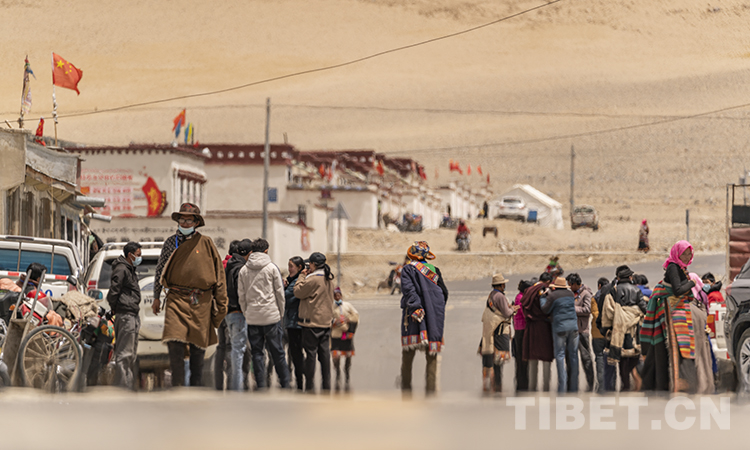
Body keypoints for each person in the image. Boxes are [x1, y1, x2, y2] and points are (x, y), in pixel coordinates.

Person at [152, 203, 228, 387]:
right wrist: (156, 297)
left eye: (189, 220)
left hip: (200, 301)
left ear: (196, 223)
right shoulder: (171, 243)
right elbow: (160, 270)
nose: (185, 223)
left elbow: (219, 274)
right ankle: (177, 385)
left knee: (197, 346)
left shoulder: (206, 243)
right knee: (174, 341)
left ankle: (196, 385)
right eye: (182, 220)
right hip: (176, 299)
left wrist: (221, 304)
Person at [641, 240, 713, 393]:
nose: (687, 257)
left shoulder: (681, 268)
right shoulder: (673, 267)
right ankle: (675, 381)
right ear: (677, 254)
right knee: (672, 346)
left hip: (676, 308)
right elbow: (678, 290)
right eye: (684, 254)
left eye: (689, 254)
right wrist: (692, 283)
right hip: (671, 311)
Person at [238, 238, 290, 390]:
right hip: (271, 316)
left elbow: (241, 295)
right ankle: (284, 382)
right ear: (266, 250)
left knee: (257, 353)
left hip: (253, 317)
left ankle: (260, 384)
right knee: (277, 352)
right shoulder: (272, 268)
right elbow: (280, 293)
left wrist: (246, 312)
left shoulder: (244, 270)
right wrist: (280, 313)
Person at [399, 241, 448, 396]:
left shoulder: (408, 269)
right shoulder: (435, 271)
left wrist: (416, 307)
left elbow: (408, 290)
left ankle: (406, 391)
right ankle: (430, 392)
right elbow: (444, 293)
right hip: (434, 316)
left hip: (414, 315)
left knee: (408, 355)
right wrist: (434, 308)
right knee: (431, 356)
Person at [294, 252, 336, 393]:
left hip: (311, 323)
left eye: (310, 264)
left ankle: (309, 385)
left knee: (311, 355)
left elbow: (298, 292)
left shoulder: (313, 279)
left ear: (313, 264)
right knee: (324, 355)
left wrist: (301, 276)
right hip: (325, 322)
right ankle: (326, 385)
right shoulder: (329, 278)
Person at [600, 266, 646, 391]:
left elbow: (608, 313)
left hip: (618, 329)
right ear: (630, 277)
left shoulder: (613, 291)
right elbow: (644, 308)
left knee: (622, 359)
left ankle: (625, 385)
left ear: (619, 278)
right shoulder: (636, 290)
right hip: (633, 330)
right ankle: (629, 383)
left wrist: (606, 330)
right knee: (634, 356)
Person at [107, 242, 142, 390]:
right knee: (124, 354)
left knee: (130, 354)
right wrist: (115, 307)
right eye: (138, 255)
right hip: (126, 315)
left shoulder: (129, 269)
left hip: (132, 314)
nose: (140, 258)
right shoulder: (122, 269)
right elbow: (114, 291)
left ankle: (127, 384)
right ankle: (123, 387)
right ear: (130, 255)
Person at [218, 238, 252, 391]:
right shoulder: (240, 268)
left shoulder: (227, 266)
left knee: (228, 348)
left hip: (226, 312)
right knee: (238, 351)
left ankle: (229, 384)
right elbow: (241, 292)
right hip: (237, 312)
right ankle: (237, 387)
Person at [478, 273, 518, 393]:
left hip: (491, 330)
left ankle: (488, 384)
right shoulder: (500, 296)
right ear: (501, 285)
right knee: (498, 361)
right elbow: (506, 313)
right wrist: (513, 309)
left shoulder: (492, 295)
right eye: (503, 284)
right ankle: (497, 385)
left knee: (490, 359)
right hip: (499, 331)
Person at [540, 277, 579, 393]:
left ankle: (562, 386)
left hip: (560, 328)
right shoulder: (570, 294)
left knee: (560, 355)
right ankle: (574, 386)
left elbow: (545, 309)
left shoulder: (553, 296)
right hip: (574, 327)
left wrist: (543, 297)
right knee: (573, 355)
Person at [522, 272, 554, 392]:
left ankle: (532, 387)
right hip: (543, 326)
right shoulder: (542, 290)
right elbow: (545, 308)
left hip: (530, 326)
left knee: (532, 358)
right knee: (546, 357)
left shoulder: (528, 290)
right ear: (548, 282)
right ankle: (546, 388)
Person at [567, 273, 594, 392]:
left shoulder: (586, 294)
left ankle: (591, 383)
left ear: (575, 284)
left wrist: (572, 308)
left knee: (586, 358)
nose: (569, 286)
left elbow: (587, 309)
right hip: (571, 330)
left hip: (582, 331)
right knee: (571, 359)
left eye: (570, 284)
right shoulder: (570, 294)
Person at [331, 287, 359, 393]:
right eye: (335, 295)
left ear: (341, 296)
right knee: (336, 356)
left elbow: (356, 316)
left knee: (348, 355)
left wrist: (348, 320)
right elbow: (326, 318)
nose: (337, 297)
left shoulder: (348, 306)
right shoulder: (330, 307)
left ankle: (347, 373)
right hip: (336, 335)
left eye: (339, 295)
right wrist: (334, 322)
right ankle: (337, 372)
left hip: (347, 335)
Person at [284, 256, 306, 390]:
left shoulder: (296, 283)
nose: (289, 269)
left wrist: (282, 287)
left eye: (291, 266)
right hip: (294, 322)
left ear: (299, 268)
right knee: (296, 354)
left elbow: (285, 298)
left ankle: (300, 381)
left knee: (297, 354)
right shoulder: (292, 281)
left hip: (295, 323)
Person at [590, 277, 613, 393]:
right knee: (611, 359)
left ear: (599, 286)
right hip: (610, 333)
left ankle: (601, 386)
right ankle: (611, 385)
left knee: (599, 358)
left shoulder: (595, 298)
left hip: (597, 333)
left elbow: (595, 314)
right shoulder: (612, 296)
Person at [512, 279, 532, 392]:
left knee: (521, 358)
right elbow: (525, 314)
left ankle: (522, 383)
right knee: (522, 358)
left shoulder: (519, 297)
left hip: (519, 330)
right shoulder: (521, 298)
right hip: (521, 331)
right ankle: (523, 384)